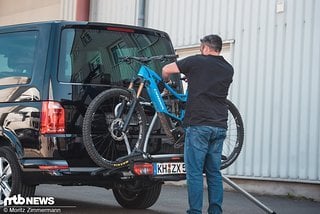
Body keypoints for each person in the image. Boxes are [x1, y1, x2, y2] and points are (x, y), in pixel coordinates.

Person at [162, 34, 234, 214]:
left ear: (207, 48)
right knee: (214, 173)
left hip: (198, 125)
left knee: (194, 173)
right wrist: (192, 77)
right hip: (219, 125)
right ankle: (215, 211)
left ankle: (195, 211)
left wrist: (166, 81)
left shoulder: (197, 61)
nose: (201, 51)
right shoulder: (228, 68)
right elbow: (209, 82)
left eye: (201, 48)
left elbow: (167, 69)